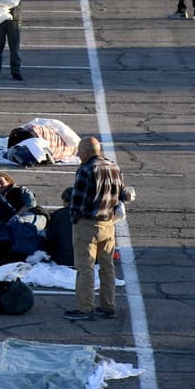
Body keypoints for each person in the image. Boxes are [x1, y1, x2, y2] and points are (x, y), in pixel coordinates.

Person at [65, 137, 131, 320]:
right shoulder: (114, 167)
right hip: (108, 223)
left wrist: (74, 219)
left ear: (86, 152)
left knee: (85, 267)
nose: (78, 155)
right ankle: (108, 306)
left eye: (79, 152)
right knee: (107, 267)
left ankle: (85, 308)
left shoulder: (85, 170)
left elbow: (77, 201)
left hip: (87, 224)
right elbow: (124, 194)